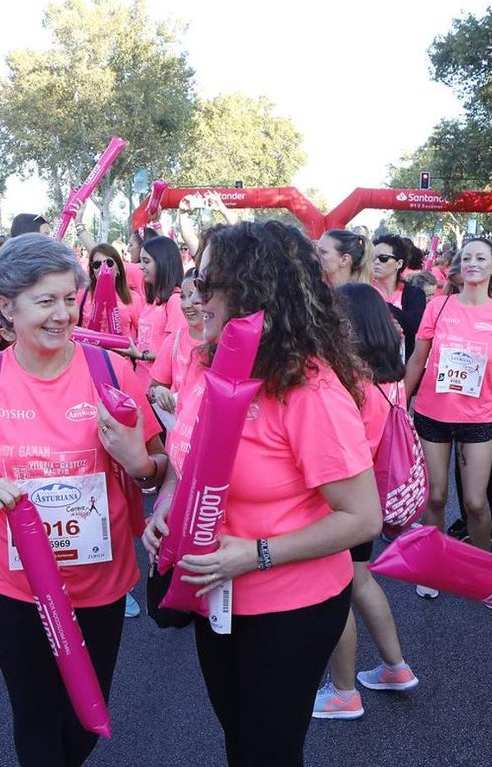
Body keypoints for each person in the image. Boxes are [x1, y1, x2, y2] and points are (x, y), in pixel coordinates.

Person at [143, 220, 381, 766]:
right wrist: (165, 510)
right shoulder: (210, 364)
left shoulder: (310, 389)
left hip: (290, 605)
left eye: (209, 284)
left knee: (268, 753)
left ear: (252, 294)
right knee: (239, 740)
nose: (195, 295)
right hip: (215, 597)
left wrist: (254, 555)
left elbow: (363, 517)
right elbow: (187, 461)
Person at [0, 233, 164, 766]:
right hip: (14, 588)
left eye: (68, 299)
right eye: (46, 302)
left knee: (85, 717)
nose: (62, 315)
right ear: (7, 307)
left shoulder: (112, 372)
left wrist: (138, 463)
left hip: (99, 584)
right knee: (36, 718)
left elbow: (156, 471)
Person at [314, 282, 418, 721]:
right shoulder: (389, 378)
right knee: (360, 582)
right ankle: (395, 666)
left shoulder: (347, 384)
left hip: (345, 505)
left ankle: (343, 691)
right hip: (371, 499)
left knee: (339, 591)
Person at [403, 237, 492, 598]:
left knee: (474, 502)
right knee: (435, 498)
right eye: (466, 257)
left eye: (480, 258)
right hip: (431, 414)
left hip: (479, 419)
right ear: (459, 265)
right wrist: (397, 406)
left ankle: (484, 575)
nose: (472, 263)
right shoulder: (438, 307)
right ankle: (433, 567)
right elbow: (417, 360)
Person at [147, 269, 204, 424]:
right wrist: (158, 392)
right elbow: (152, 389)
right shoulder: (174, 340)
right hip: (176, 436)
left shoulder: (224, 343)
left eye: (192, 296)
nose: (186, 305)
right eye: (182, 297)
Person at [128, 236, 183, 387]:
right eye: (141, 261)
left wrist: (141, 355)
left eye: (146, 261)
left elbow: (177, 351)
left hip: (157, 388)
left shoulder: (175, 301)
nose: (141, 267)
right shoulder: (152, 300)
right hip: (140, 380)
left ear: (163, 263)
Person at [371, 234, 428, 360]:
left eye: (383, 258)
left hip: (402, 364)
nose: (376, 262)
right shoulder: (364, 291)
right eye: (372, 258)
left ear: (399, 263)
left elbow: (414, 325)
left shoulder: (413, 293)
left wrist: (383, 307)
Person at [78, 243, 143, 341]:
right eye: (97, 264)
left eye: (109, 263)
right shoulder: (82, 295)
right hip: (91, 353)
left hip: (121, 355)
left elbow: (141, 334)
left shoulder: (133, 298)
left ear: (119, 270)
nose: (103, 268)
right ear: (92, 271)